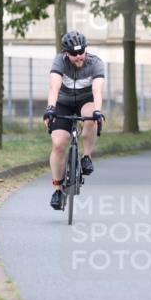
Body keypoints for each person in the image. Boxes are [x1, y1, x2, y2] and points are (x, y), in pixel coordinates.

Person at [43, 31, 106, 210]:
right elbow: (54, 87)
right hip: (63, 103)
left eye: (81, 52)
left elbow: (97, 92)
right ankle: (57, 189)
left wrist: (98, 111)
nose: (78, 57)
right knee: (58, 144)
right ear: (66, 53)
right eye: (73, 54)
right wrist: (50, 109)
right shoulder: (59, 62)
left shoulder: (96, 63)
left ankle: (86, 156)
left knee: (91, 117)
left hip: (85, 101)